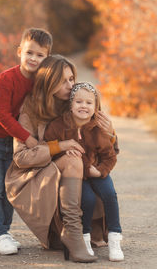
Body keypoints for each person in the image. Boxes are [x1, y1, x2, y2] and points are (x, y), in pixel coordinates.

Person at [5, 55, 117, 262]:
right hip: (35, 174)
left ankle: (73, 233)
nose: (71, 85)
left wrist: (110, 133)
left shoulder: (74, 103)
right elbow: (21, 158)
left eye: (72, 78)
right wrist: (59, 146)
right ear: (49, 81)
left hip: (72, 172)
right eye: (64, 80)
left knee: (82, 167)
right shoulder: (29, 111)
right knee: (72, 157)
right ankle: (73, 233)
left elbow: (103, 145)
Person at [0, 27, 53, 255]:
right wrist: (28, 139)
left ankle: (5, 232)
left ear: (47, 58)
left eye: (40, 55)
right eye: (30, 52)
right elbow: (3, 115)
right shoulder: (6, 79)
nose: (33, 59)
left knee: (10, 186)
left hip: (13, 141)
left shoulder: (40, 83)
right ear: (20, 51)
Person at [44, 81, 124, 262]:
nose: (83, 106)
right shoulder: (58, 126)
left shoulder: (98, 128)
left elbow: (110, 157)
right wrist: (62, 152)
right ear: (71, 104)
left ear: (95, 107)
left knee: (110, 195)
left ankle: (114, 236)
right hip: (76, 175)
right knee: (86, 199)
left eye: (89, 103)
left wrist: (100, 171)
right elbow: (47, 149)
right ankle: (84, 238)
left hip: (97, 171)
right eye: (79, 102)